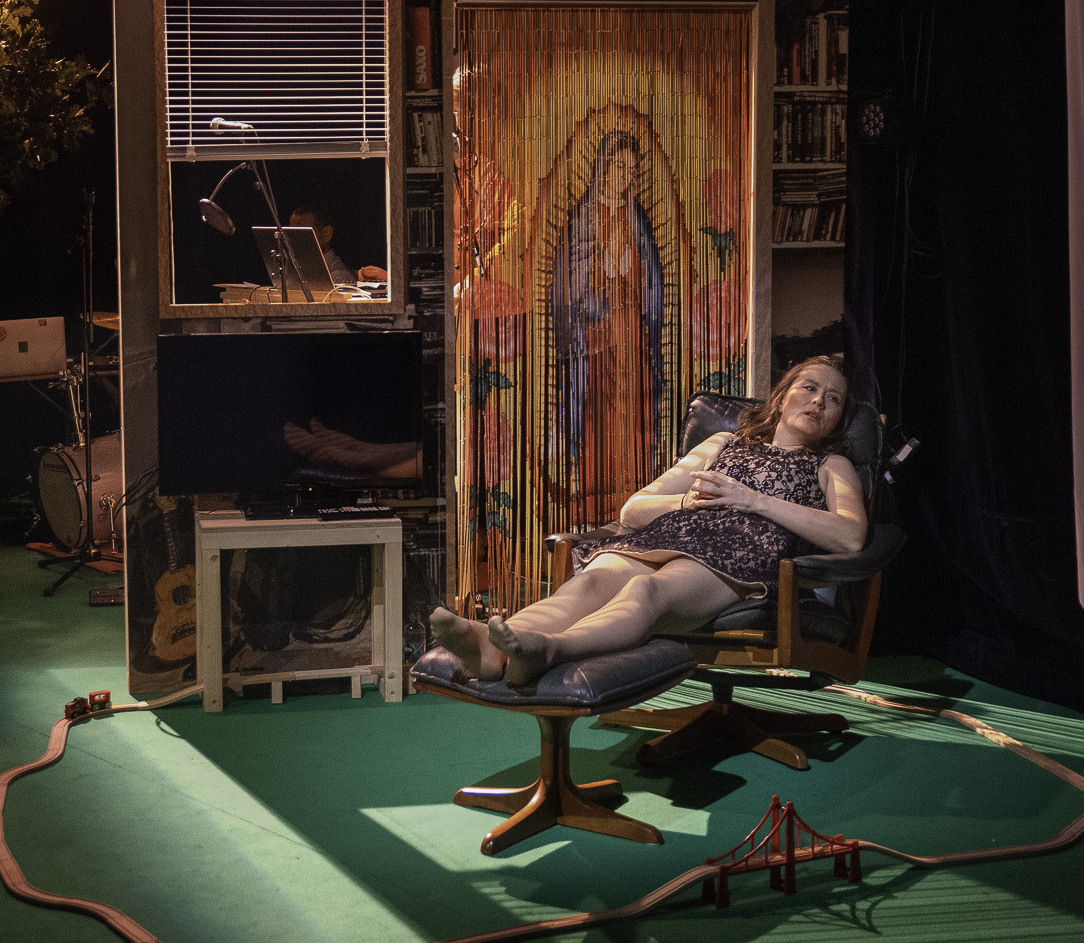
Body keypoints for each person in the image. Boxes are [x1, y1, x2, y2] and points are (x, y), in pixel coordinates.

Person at [430, 356, 868, 685]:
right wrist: (687, 501)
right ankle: (490, 648)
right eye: (809, 387)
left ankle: (548, 651)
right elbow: (633, 510)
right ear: (782, 396)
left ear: (838, 420)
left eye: (833, 399)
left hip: (739, 553)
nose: (818, 401)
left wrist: (752, 500)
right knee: (591, 582)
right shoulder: (723, 442)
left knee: (646, 590)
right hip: (668, 534)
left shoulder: (832, 465)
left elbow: (850, 537)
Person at [550, 130, 665, 520]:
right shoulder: (583, 217)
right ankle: (596, 501)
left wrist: (627, 263)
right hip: (596, 335)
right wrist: (604, 261)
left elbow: (651, 276)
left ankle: (637, 498)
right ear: (602, 167)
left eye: (631, 169)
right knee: (599, 412)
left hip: (632, 331)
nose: (625, 175)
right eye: (619, 166)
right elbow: (570, 280)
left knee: (634, 410)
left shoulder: (637, 217)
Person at [290, 206, 388, 288]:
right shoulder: (291, 268)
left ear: (326, 233)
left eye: (302, 234)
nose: (293, 240)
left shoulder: (338, 277)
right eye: (290, 233)